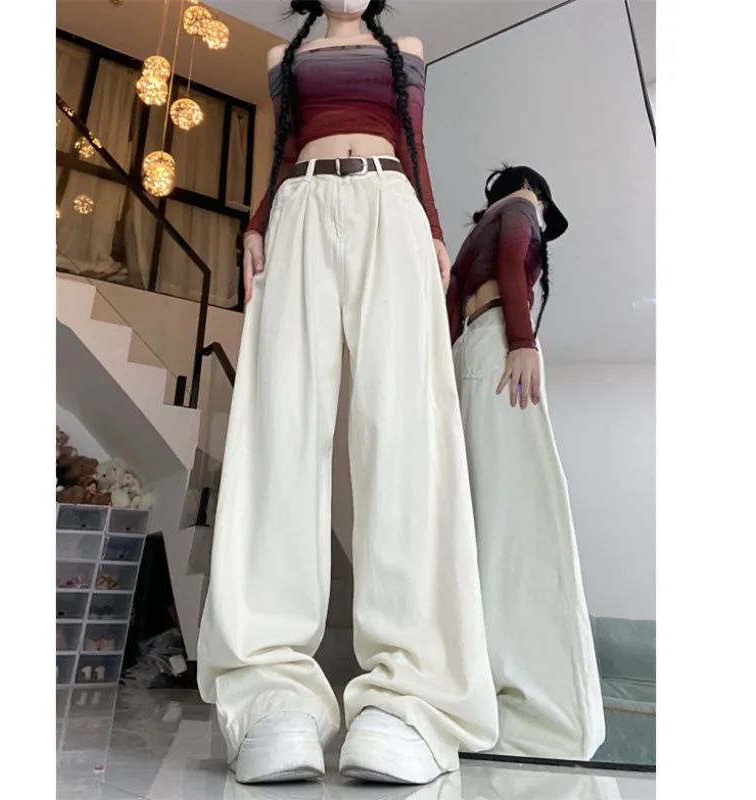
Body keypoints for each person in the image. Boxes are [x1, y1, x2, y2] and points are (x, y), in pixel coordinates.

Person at [197, 0, 498, 786]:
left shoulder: (407, 49)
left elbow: (415, 145)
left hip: (391, 207)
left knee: (404, 434)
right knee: (278, 429)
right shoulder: (283, 59)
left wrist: (435, 233)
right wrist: (256, 223)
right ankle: (269, 695)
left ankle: (410, 699)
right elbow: (281, 151)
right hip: (298, 209)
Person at [447, 165, 606, 760]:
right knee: (522, 518)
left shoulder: (474, 236)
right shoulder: (520, 208)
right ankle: (536, 708)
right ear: (535, 190)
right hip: (496, 349)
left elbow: (450, 302)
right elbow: (515, 264)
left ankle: (476, 686)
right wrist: (522, 341)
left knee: (482, 520)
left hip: (468, 355)